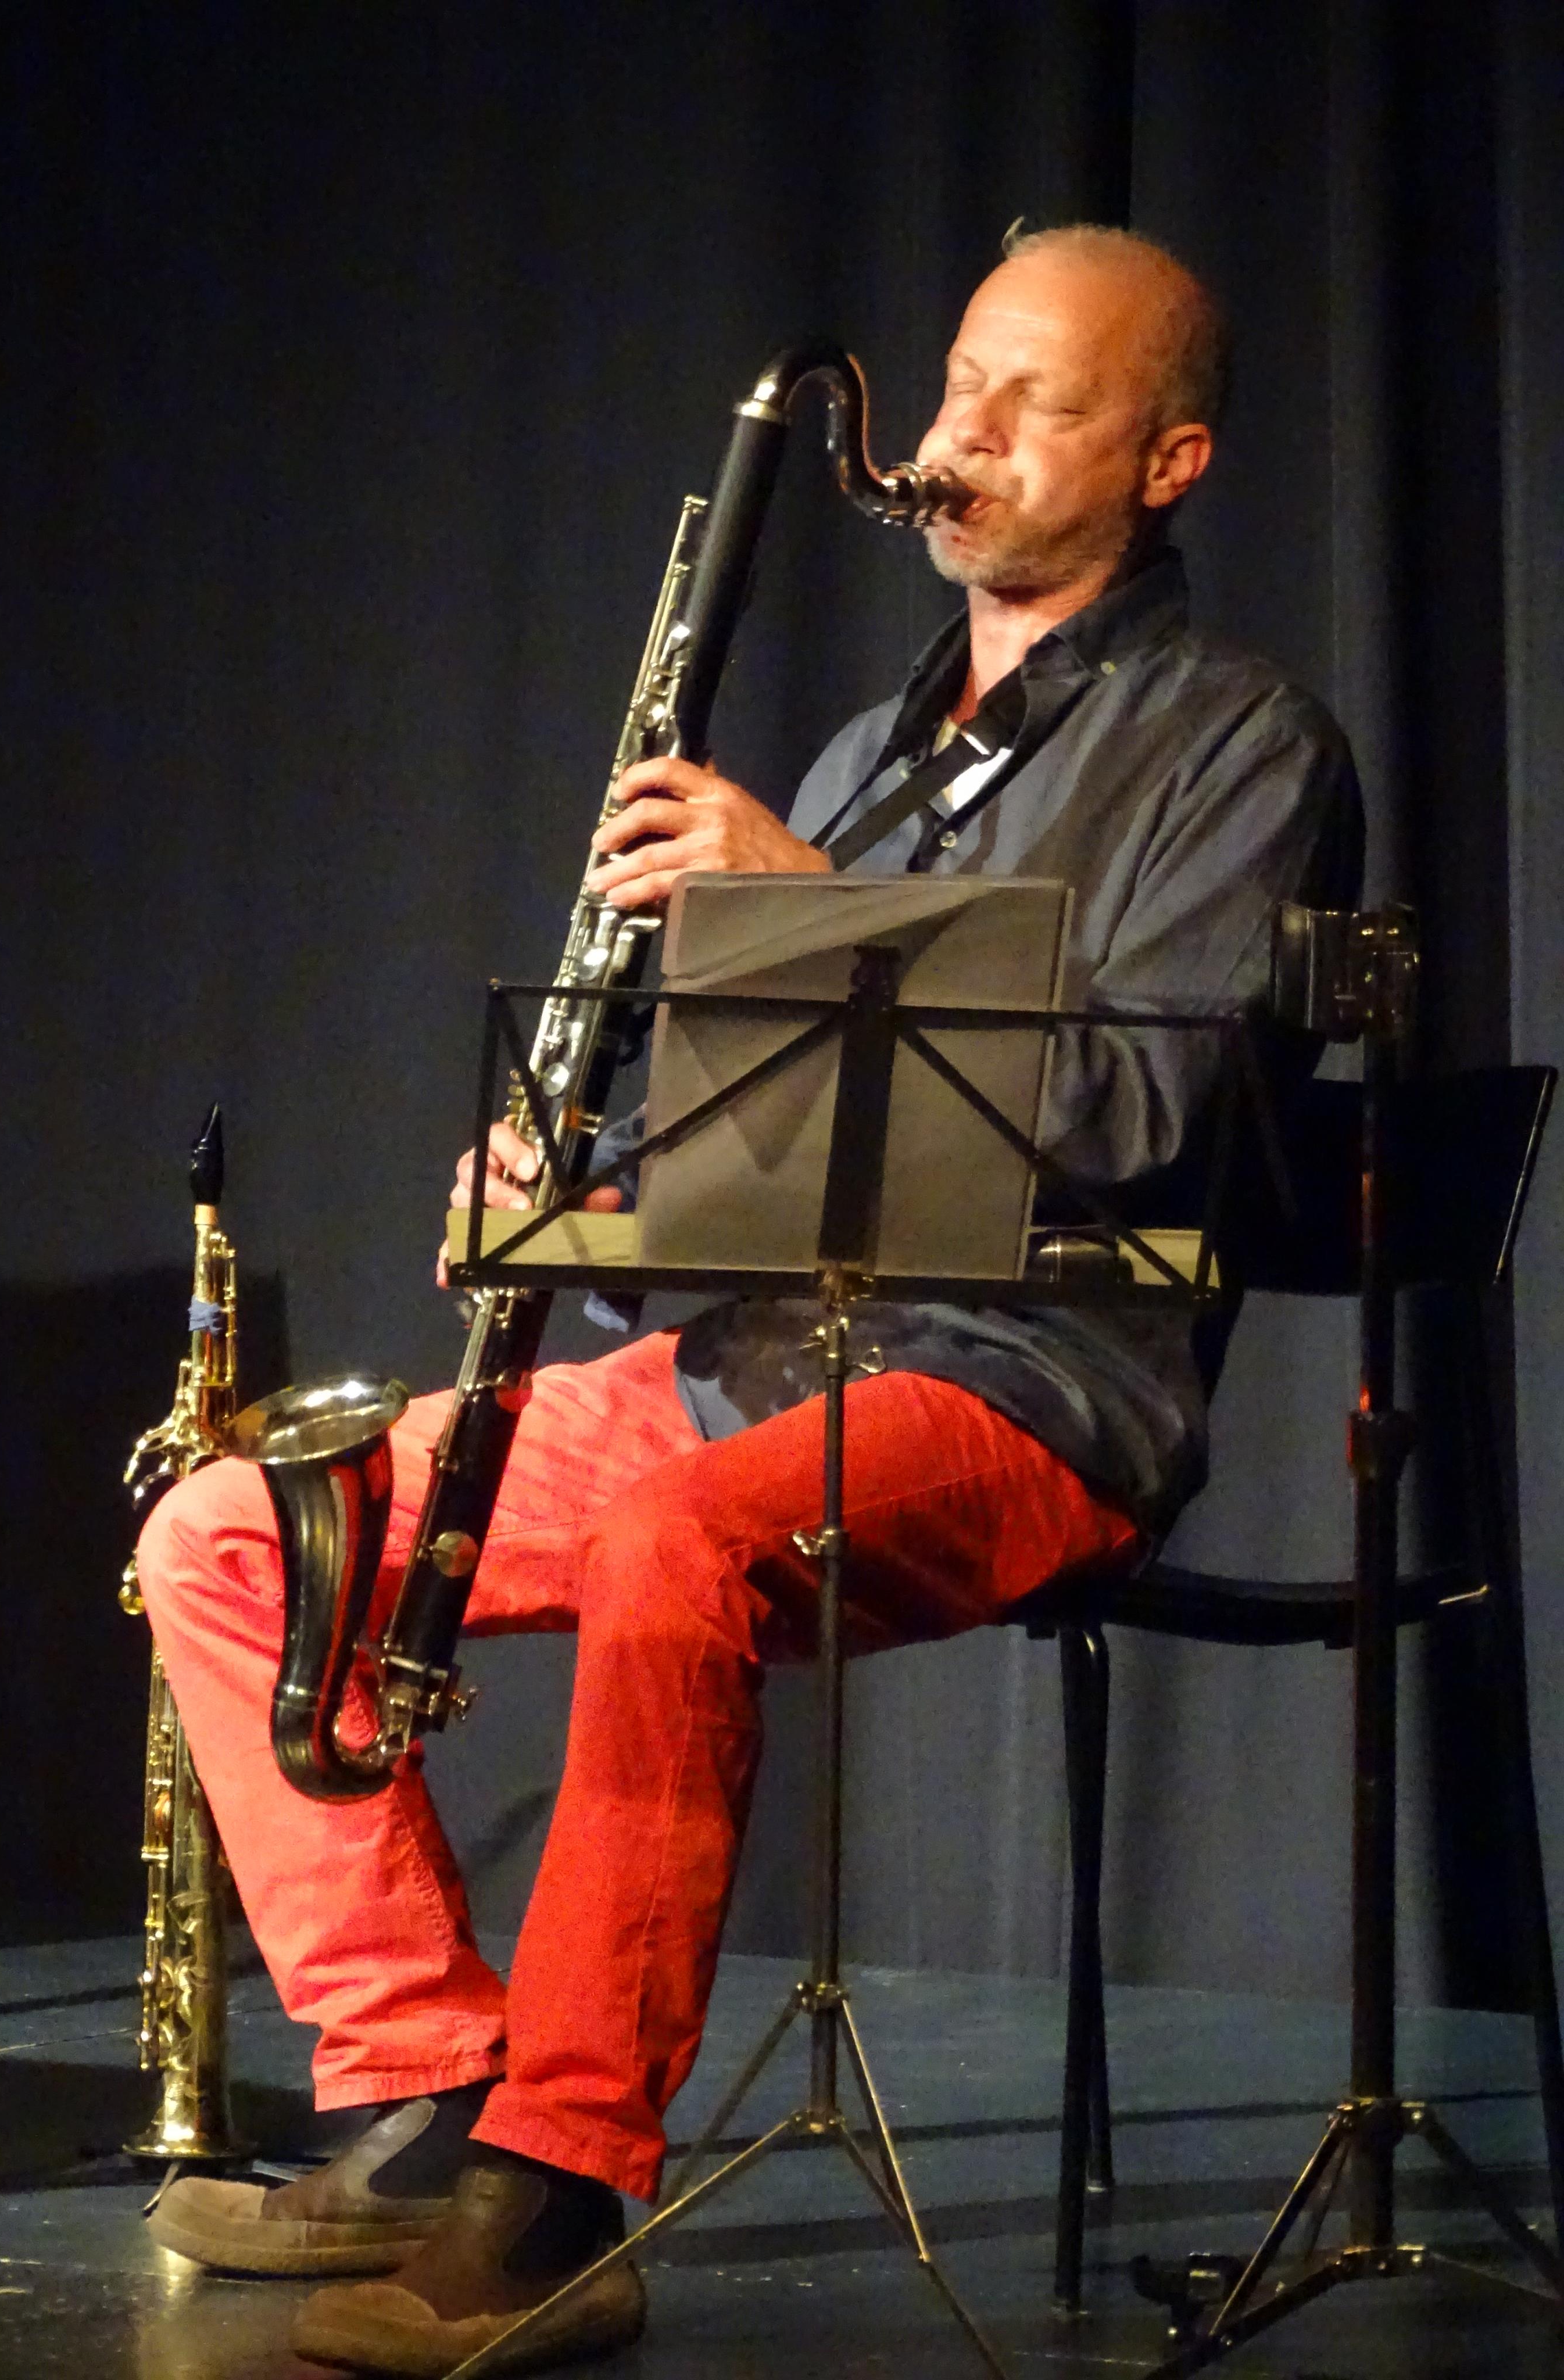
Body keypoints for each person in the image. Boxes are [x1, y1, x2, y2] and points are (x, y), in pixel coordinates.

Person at [136, 225, 1363, 2375]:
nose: (965, 438)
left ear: (1167, 462)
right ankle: (427, 2096)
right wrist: (584, 1190)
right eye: (960, 385)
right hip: (758, 1362)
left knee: (673, 1543)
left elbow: (1141, 1108)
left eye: (1039, 403)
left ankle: (558, 2200)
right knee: (234, 1533)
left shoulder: (1239, 740)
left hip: (1036, 1386)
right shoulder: (881, 745)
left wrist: (809, 894)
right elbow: (765, 1144)